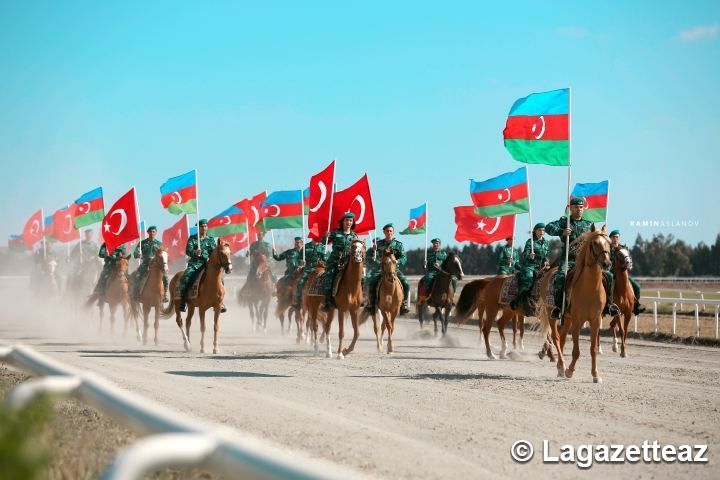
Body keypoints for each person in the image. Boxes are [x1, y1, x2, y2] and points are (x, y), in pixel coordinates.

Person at [545, 197, 619, 320]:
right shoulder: (565, 222)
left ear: (584, 208)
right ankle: (558, 308)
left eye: (581, 207)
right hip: (569, 259)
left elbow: (598, 241)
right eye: (576, 207)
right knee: (560, 277)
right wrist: (561, 231)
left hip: (587, 260)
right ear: (570, 208)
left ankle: (609, 305)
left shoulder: (589, 224)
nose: (579, 209)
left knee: (609, 276)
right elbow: (548, 228)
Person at [364, 223, 411, 315]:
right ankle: (371, 304)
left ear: (393, 232)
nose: (389, 233)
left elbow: (404, 257)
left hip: (395, 270)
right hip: (381, 270)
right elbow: (370, 256)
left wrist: (398, 261)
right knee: (372, 283)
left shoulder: (398, 245)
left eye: (391, 231)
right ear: (384, 232)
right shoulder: (378, 244)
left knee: (406, 283)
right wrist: (374, 250)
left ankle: (403, 303)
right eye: (387, 231)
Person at [178, 219, 220, 312]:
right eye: (202, 226)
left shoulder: (211, 239)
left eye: (205, 226)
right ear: (198, 228)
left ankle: (219, 301)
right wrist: (195, 252)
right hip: (195, 264)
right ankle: (183, 301)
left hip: (207, 264)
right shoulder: (193, 238)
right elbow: (188, 251)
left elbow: (213, 253)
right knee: (185, 278)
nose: (204, 228)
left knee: (220, 279)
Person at [321, 212, 359, 312]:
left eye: (351, 220)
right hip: (334, 261)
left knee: (361, 278)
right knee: (329, 278)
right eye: (347, 220)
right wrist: (326, 237)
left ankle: (359, 299)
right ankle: (328, 301)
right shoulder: (336, 233)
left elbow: (358, 249)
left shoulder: (354, 236)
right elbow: (324, 242)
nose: (349, 222)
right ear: (342, 222)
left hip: (348, 262)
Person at [510, 223, 550, 311]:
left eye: (543, 230)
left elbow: (546, 255)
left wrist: (546, 261)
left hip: (540, 267)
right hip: (529, 266)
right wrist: (529, 256)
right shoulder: (530, 242)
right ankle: (518, 300)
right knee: (528, 278)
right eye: (539, 230)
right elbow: (524, 255)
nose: (541, 232)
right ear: (535, 231)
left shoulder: (546, 243)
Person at [609, 230, 645, 315]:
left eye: (617, 237)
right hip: (611, 273)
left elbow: (629, 261)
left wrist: (629, 265)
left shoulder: (624, 248)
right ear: (610, 238)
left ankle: (636, 306)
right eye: (613, 237)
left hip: (623, 274)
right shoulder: (607, 248)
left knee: (637, 286)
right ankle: (608, 305)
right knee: (608, 286)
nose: (615, 239)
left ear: (619, 238)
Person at [131, 225, 168, 302]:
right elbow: (135, 253)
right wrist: (137, 254)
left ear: (156, 233)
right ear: (148, 232)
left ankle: (165, 295)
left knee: (165, 277)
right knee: (137, 276)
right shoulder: (142, 243)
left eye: (153, 231)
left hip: (156, 265)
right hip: (145, 264)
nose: (152, 233)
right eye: (150, 231)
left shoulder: (159, 244)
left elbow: (163, 254)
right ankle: (136, 295)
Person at [291, 237, 327, 309]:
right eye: (314, 235)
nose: (316, 237)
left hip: (319, 268)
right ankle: (298, 302)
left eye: (318, 236)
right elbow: (299, 258)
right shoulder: (306, 247)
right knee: (300, 282)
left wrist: (324, 260)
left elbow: (325, 259)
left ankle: (327, 301)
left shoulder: (322, 247)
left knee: (328, 281)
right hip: (308, 268)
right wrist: (301, 263)